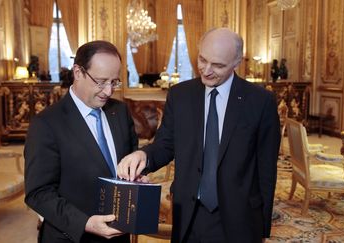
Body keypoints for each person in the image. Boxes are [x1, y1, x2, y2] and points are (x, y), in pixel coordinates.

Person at [118, 28, 281, 242]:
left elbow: (266, 170)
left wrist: (262, 227)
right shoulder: (180, 95)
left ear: (236, 62)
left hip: (239, 217)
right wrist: (143, 156)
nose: (206, 70)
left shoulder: (261, 102)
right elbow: (165, 145)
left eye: (218, 65)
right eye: (202, 59)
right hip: (189, 214)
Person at [24, 40, 138, 243]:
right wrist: (85, 223)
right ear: (78, 72)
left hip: (119, 234)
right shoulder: (46, 124)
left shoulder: (120, 111)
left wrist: (136, 176)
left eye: (114, 82)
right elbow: (38, 194)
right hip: (71, 236)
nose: (109, 91)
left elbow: (127, 163)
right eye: (101, 81)